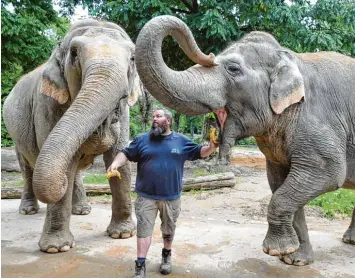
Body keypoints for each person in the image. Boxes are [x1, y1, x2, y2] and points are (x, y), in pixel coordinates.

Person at [107, 108, 218, 278]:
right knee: (144, 231)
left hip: (171, 197)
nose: (154, 119)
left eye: (158, 116)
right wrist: (115, 164)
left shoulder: (180, 141)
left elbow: (199, 152)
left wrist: (211, 147)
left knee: (168, 231)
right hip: (146, 197)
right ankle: (140, 265)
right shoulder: (142, 139)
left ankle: (166, 256)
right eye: (153, 116)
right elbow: (125, 153)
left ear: (168, 121)